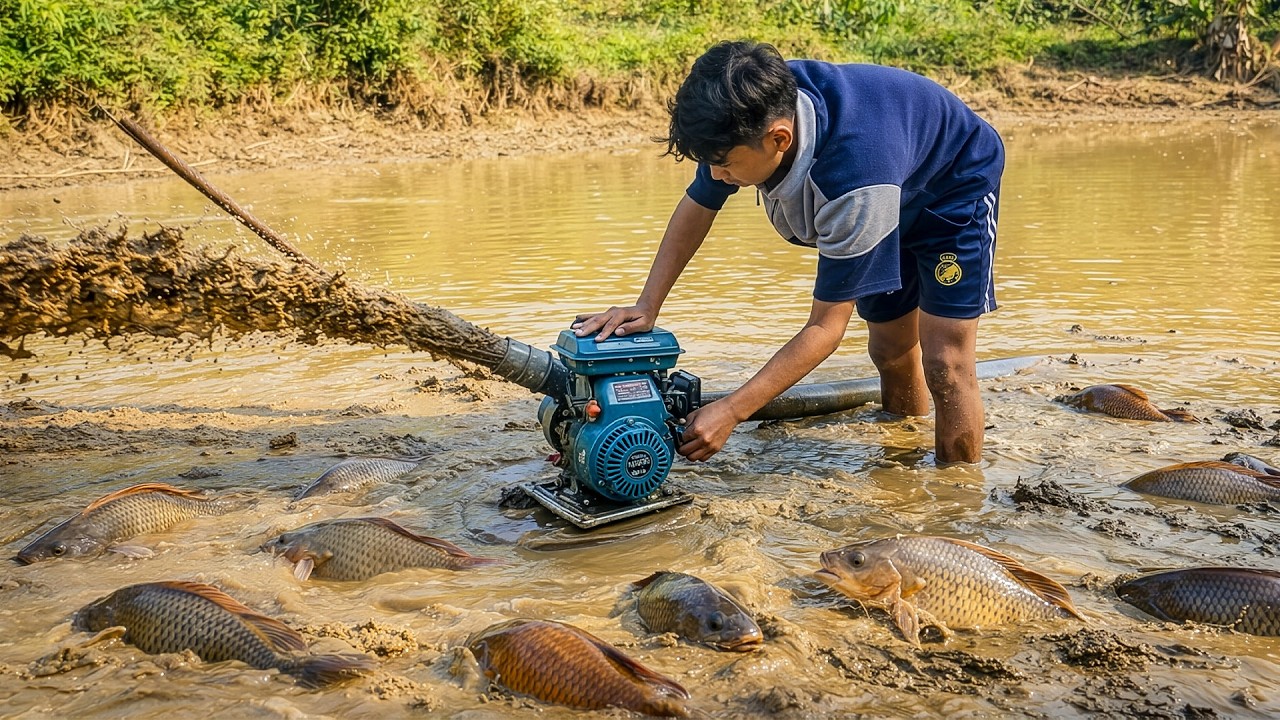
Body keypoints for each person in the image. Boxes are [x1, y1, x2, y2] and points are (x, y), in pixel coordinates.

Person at [572, 40, 1004, 465]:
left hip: (951, 188)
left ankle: (956, 499)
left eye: (723, 164)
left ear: (779, 138)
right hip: (891, 175)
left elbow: (824, 329)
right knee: (889, 348)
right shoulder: (745, 108)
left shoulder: (852, 182)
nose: (717, 174)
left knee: (946, 363)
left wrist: (734, 410)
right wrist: (647, 305)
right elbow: (697, 205)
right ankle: (902, 453)